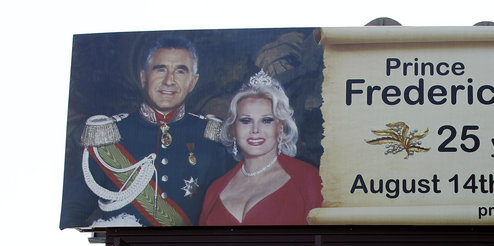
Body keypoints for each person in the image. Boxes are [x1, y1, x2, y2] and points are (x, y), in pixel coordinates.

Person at [71, 36, 229, 227]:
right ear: (143, 77)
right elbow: (70, 215)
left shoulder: (210, 138)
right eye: (160, 69)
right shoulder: (109, 135)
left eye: (180, 71)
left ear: (193, 82)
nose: (169, 81)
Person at [199, 70, 323, 225]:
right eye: (245, 121)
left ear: (281, 128)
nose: (255, 130)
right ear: (233, 128)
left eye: (266, 120)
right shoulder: (215, 189)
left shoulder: (308, 180)